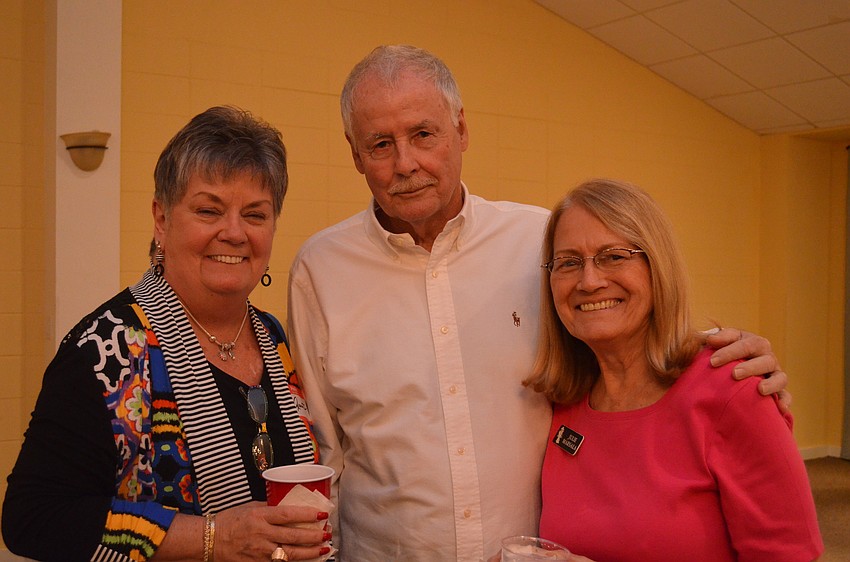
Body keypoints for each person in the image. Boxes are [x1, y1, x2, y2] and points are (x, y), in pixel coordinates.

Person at [287, 45, 789, 561]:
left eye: (423, 134)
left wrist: (724, 367)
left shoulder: (542, 242)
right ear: (354, 154)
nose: (405, 163)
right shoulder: (320, 270)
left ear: (461, 129)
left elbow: (623, 342)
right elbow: (324, 450)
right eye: (380, 144)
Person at [2, 106, 332, 562]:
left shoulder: (272, 336)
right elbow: (33, 519)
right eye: (208, 210)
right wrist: (213, 538)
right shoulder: (105, 351)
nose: (234, 233)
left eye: (255, 215)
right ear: (161, 219)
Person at [526, 178, 823, 561]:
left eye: (614, 256)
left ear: (657, 267)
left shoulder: (733, 391)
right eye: (568, 263)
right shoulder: (563, 403)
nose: (589, 281)